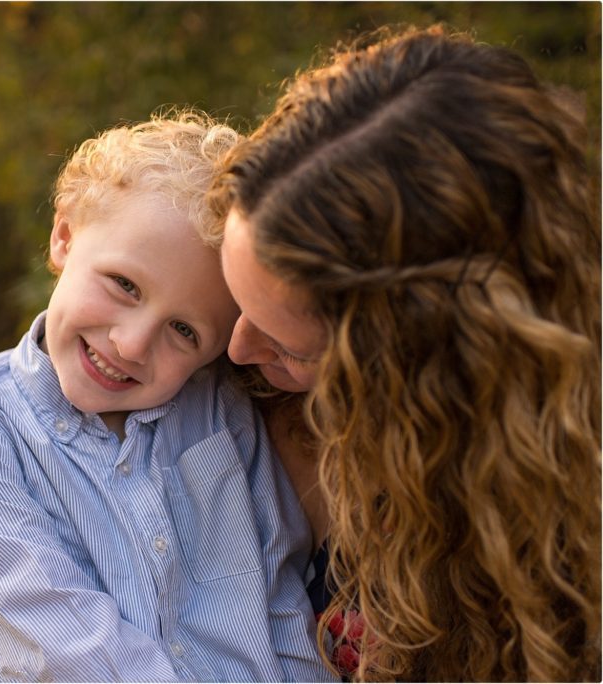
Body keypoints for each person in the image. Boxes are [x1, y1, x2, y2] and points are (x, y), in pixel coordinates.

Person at [211, 26, 601, 681]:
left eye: (288, 344)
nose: (236, 346)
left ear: (420, 365)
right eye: (232, 301)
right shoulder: (247, 395)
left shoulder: (566, 537)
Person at [0, 111, 335, 682]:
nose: (131, 345)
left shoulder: (218, 414)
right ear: (64, 236)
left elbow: (281, 606)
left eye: (184, 332)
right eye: (124, 285)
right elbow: (61, 652)